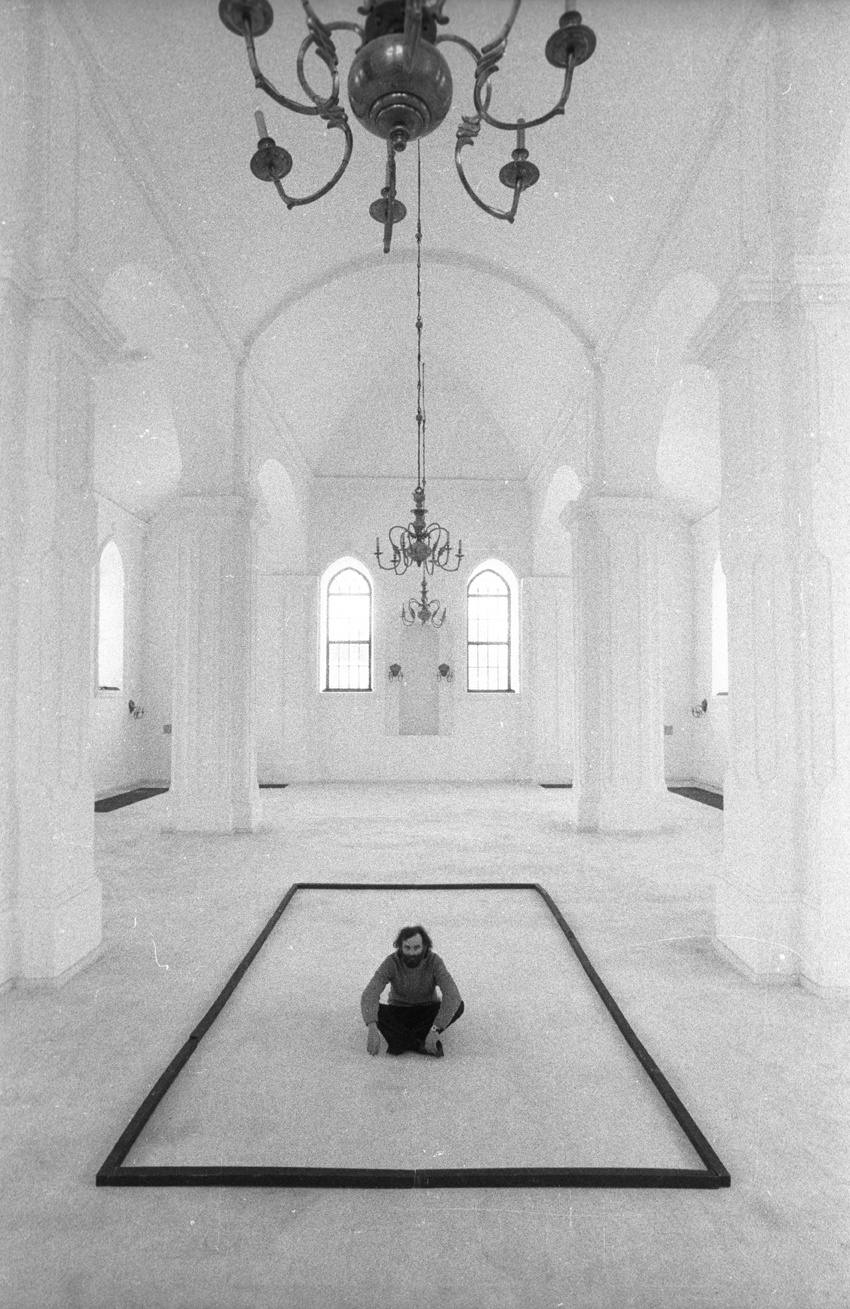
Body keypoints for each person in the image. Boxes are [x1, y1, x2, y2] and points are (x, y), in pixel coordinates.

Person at [360, 924, 464, 1057]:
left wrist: (435, 1029)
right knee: (377, 1010)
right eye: (407, 948)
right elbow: (370, 994)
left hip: (427, 1011)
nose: (412, 953)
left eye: (416, 948)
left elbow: (452, 995)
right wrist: (372, 1027)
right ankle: (417, 1041)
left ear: (425, 946)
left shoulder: (434, 961)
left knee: (458, 1006)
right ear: (400, 947)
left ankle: (401, 1041)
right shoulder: (391, 962)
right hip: (399, 1012)